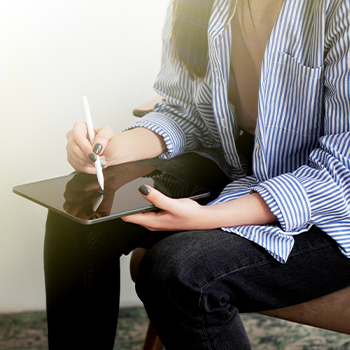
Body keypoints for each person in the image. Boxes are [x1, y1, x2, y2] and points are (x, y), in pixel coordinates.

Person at [47, 0, 350, 348]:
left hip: (331, 203)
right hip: (238, 159)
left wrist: (210, 217)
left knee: (177, 273)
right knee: (80, 213)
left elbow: (342, 169)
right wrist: (111, 148)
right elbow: (185, 108)